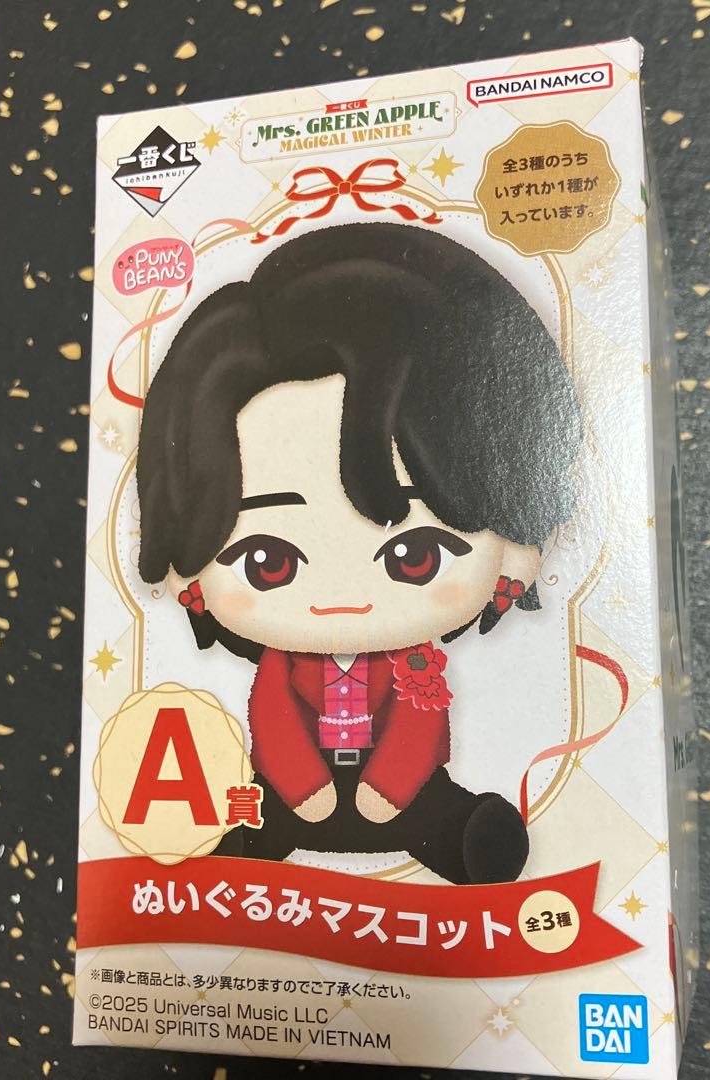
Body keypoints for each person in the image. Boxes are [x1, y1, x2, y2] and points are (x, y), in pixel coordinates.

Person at [136, 222, 583, 884]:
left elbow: (419, 723)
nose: (340, 599)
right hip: (296, 792)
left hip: (402, 793)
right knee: (256, 823)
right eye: (268, 563)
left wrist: (389, 789)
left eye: (414, 557)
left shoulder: (416, 664)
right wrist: (303, 787)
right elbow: (274, 720)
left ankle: (461, 840)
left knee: (441, 818)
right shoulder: (284, 667)